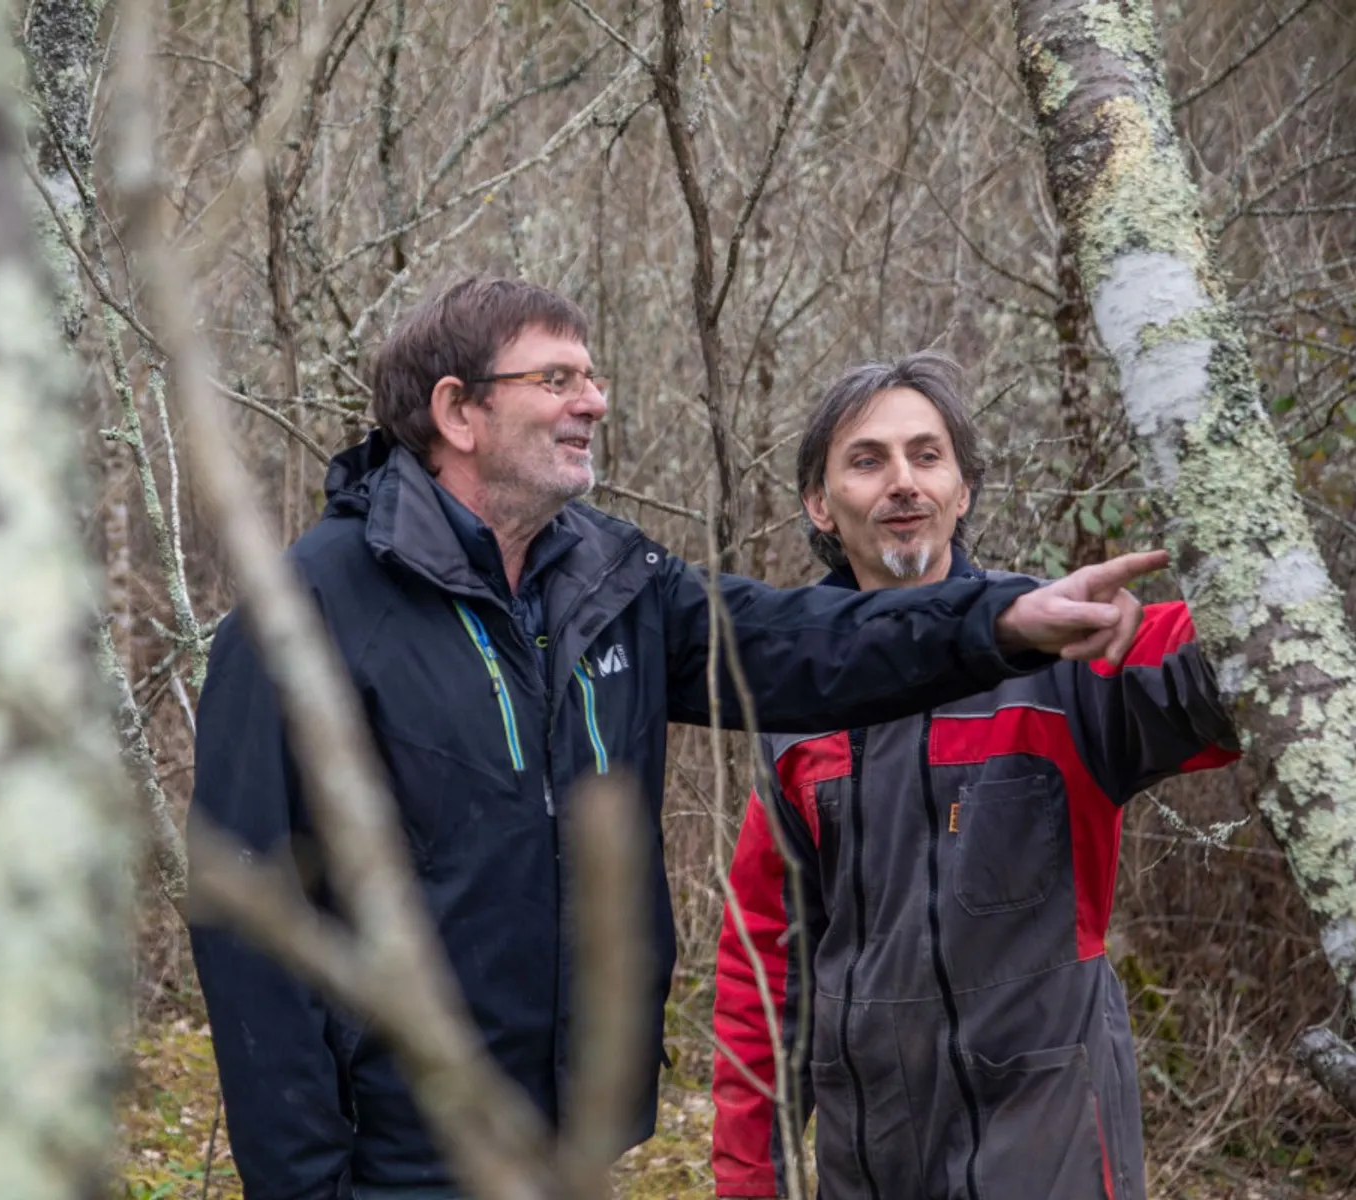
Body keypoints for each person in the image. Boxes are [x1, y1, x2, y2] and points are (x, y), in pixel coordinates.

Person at [188, 280, 1165, 1200]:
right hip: (395, 1160)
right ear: (458, 412)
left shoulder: (609, 583)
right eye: (557, 379)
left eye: (593, 377)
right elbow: (249, 925)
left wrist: (1000, 619)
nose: (594, 402)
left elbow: (806, 642)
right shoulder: (308, 614)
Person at [710, 351, 1240, 1200]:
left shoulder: (1060, 645)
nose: (903, 482)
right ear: (821, 503)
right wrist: (748, 1178)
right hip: (873, 1151)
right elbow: (764, 968)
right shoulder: (795, 699)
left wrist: (1243, 584)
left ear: (962, 489)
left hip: (1055, 1138)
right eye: (867, 459)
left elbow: (1243, 672)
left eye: (927, 455)